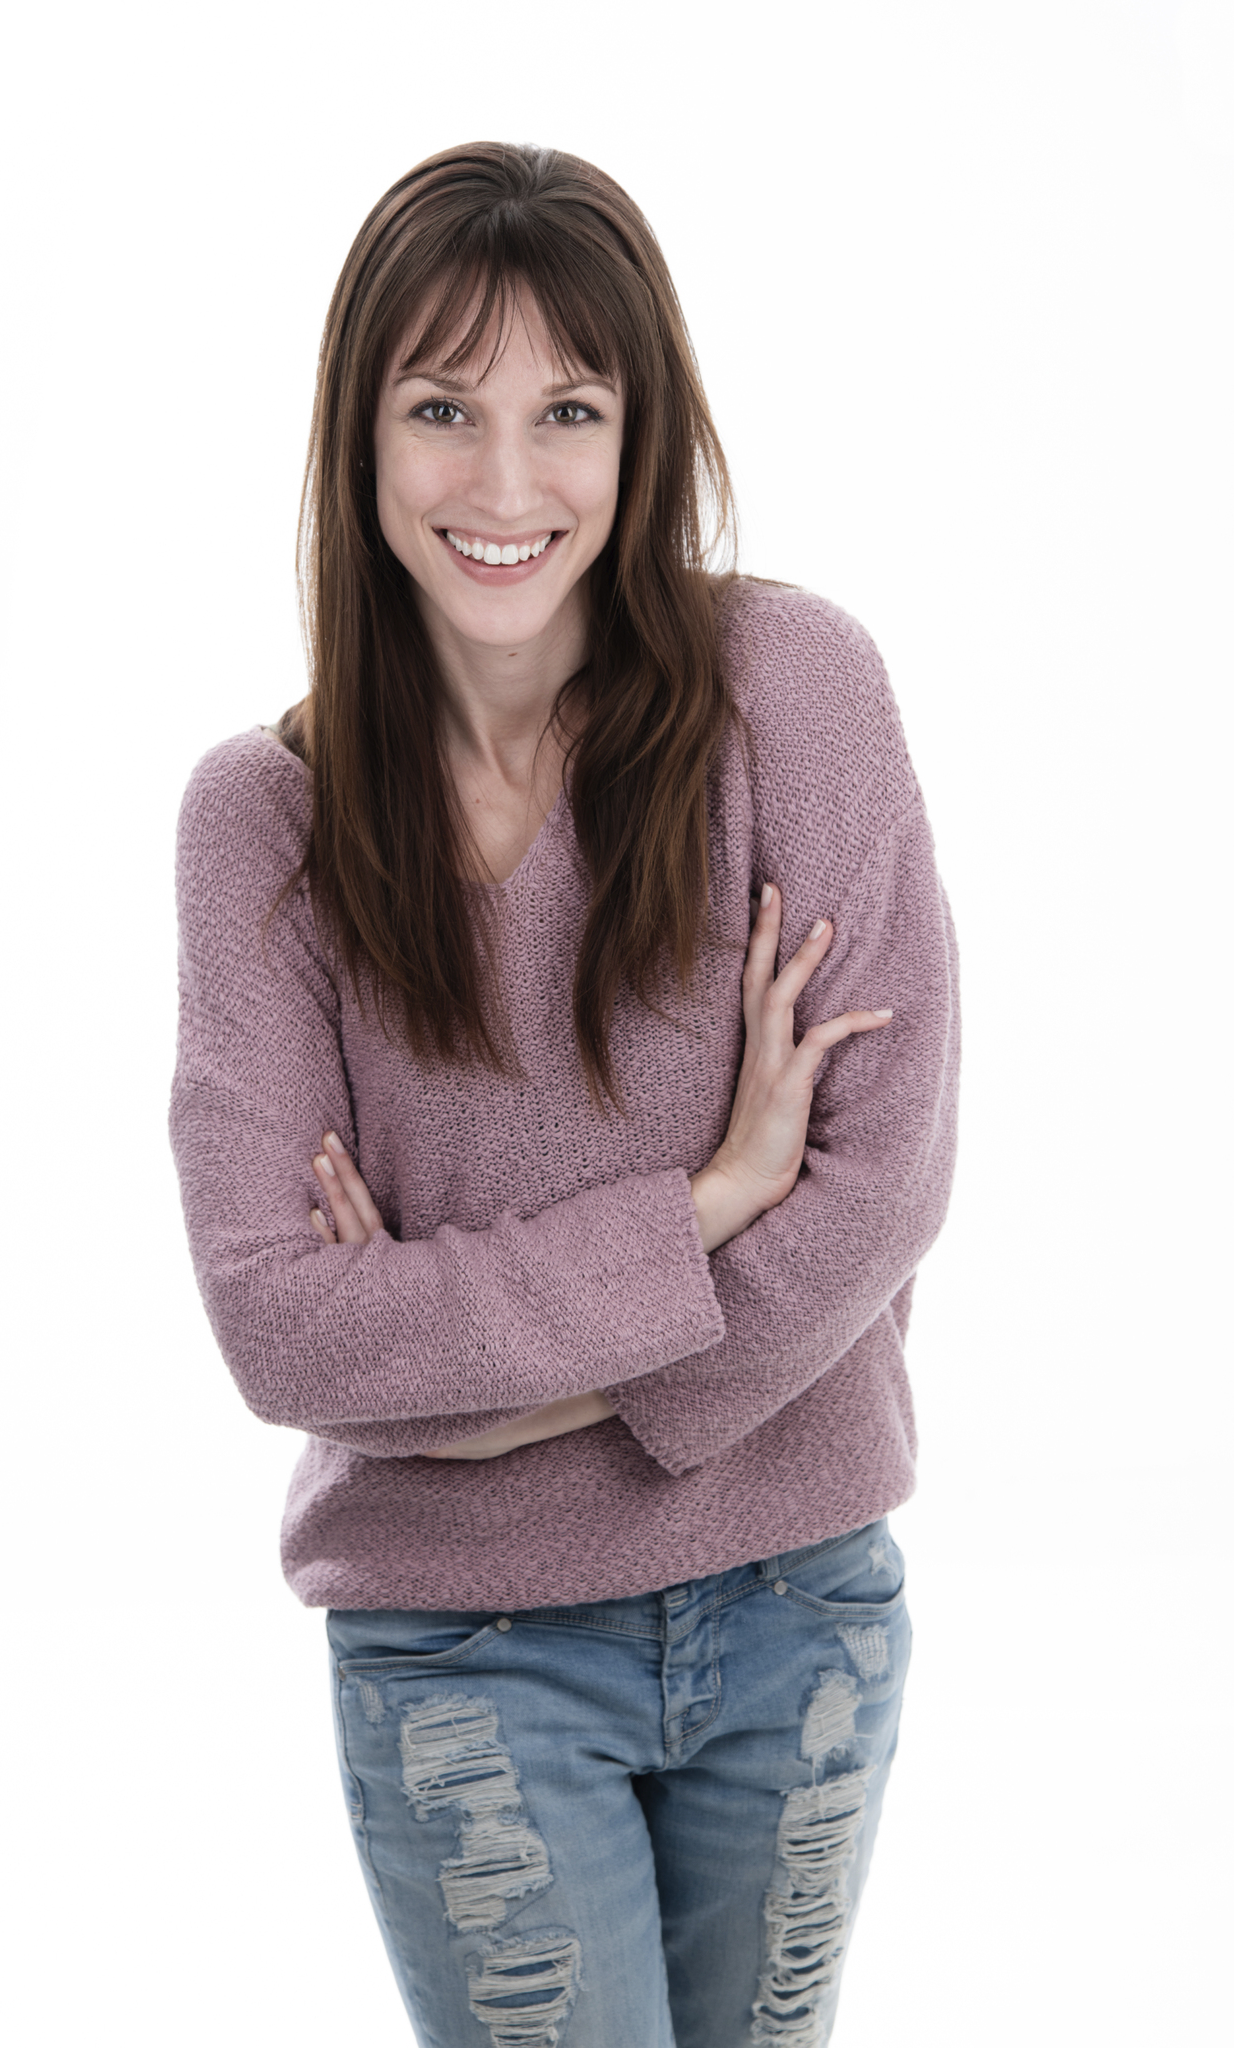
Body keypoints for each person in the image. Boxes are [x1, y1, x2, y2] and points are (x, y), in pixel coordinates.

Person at [170, 140, 960, 2048]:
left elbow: (882, 1180)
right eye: (442, 409)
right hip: (462, 1655)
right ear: (359, 439)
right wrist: (700, 1209)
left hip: (796, 1602)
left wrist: (471, 1405)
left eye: (568, 412)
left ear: (640, 431)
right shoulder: (263, 822)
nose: (506, 485)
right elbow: (284, 1328)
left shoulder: (791, 689)